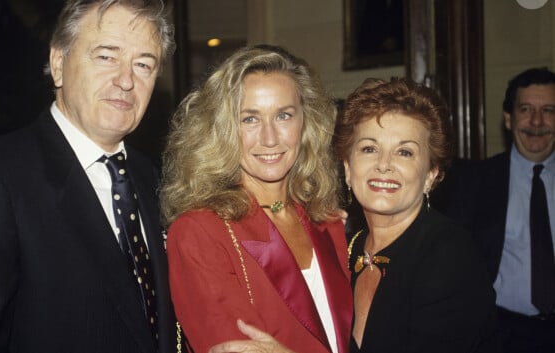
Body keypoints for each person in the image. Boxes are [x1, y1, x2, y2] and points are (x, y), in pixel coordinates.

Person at [0, 0, 177, 353]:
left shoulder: (149, 175)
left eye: (144, 64)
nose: (126, 80)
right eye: (106, 56)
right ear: (58, 64)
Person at [160, 44, 353, 353]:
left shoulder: (326, 220)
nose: (269, 138)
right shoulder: (199, 233)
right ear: (222, 129)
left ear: (306, 123)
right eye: (250, 119)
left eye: (284, 115)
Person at [332, 78, 497, 353]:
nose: (384, 165)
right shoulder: (350, 247)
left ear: (431, 175)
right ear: (348, 168)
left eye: (404, 152)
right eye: (369, 148)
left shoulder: (449, 253)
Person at [434, 67, 555, 353]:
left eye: (548, 110)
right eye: (526, 109)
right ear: (509, 119)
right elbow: (451, 267)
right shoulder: (474, 181)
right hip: (501, 334)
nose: (537, 121)